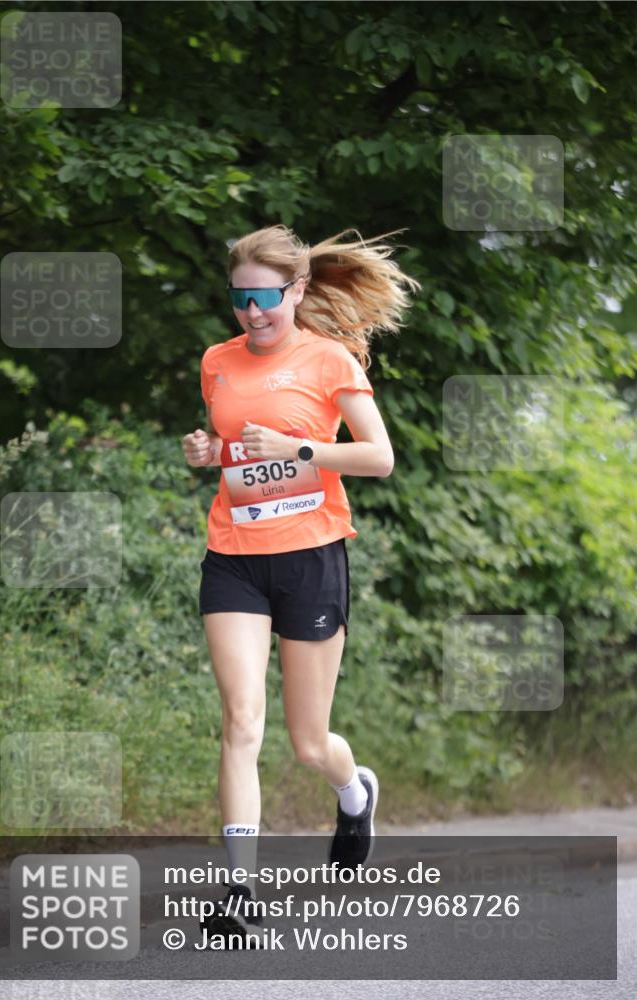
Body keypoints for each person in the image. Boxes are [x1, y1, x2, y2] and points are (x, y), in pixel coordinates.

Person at [182, 224, 420, 941]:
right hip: (234, 556)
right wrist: (208, 450)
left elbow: (377, 457)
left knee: (308, 742)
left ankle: (354, 793)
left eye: (264, 298)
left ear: (297, 290)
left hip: (311, 557)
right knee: (241, 721)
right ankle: (239, 889)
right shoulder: (216, 361)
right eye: (239, 299)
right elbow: (237, 448)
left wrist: (302, 448)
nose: (252, 313)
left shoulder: (329, 359)